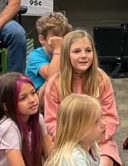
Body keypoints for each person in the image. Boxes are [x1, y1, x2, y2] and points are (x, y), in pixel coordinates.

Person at [44, 30, 121, 166]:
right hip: (67, 142)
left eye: (88, 50)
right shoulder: (55, 83)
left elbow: (110, 118)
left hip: (99, 140)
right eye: (77, 51)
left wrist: (93, 140)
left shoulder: (101, 78)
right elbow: (52, 122)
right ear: (66, 55)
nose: (84, 56)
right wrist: (77, 142)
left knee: (103, 163)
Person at [0, 73, 52, 166]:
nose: (32, 99)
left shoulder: (38, 119)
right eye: (23, 98)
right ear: (6, 106)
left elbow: (50, 155)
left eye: (33, 92)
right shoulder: (8, 127)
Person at [45, 94, 105, 166]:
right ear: (77, 129)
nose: (104, 123)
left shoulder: (91, 144)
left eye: (102, 117)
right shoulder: (74, 159)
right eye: (96, 121)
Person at [25, 12, 73, 91]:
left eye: (64, 36)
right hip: (40, 97)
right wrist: (57, 48)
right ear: (42, 39)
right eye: (56, 36)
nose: (61, 41)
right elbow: (51, 77)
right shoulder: (35, 55)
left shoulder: (68, 53)